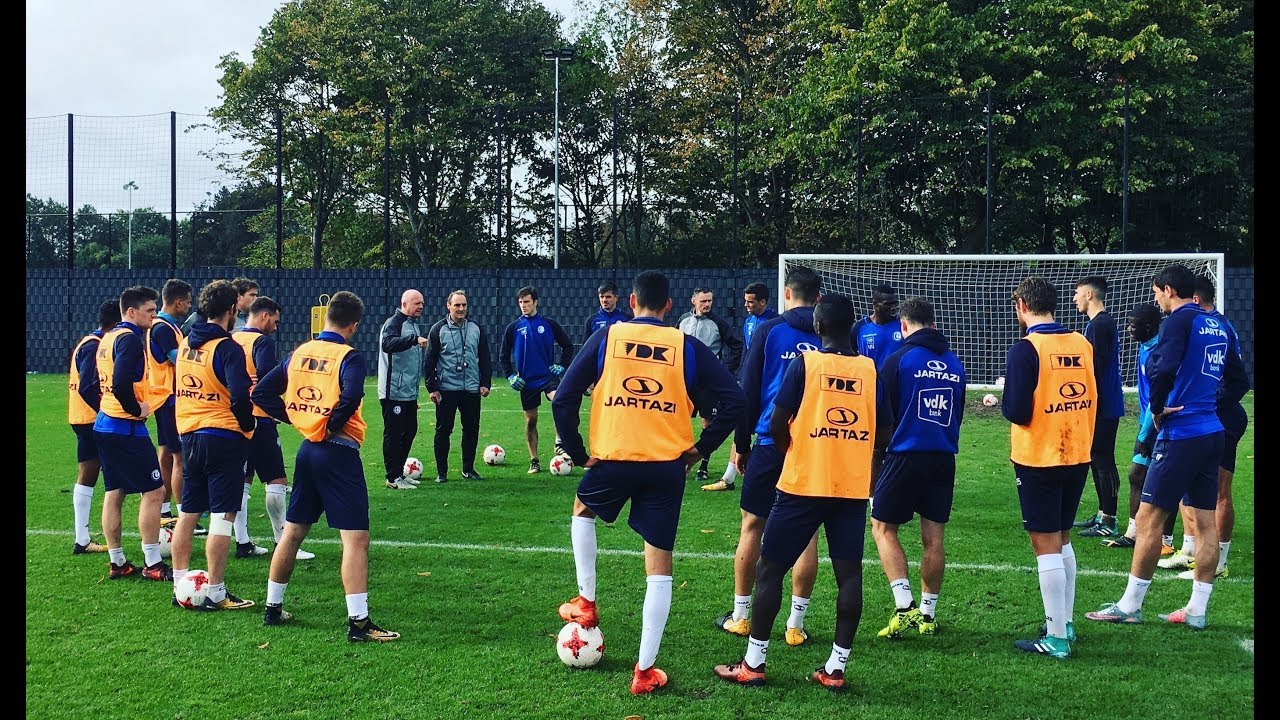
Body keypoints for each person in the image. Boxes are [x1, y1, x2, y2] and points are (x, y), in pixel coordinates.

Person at [552, 270, 745, 695]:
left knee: (582, 510)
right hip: (666, 467)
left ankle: (586, 601)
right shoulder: (685, 345)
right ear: (670, 307)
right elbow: (735, 401)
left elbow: (564, 397)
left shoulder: (609, 337)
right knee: (658, 564)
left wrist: (578, 451)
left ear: (632, 302)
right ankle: (644, 671)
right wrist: (700, 449)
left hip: (615, 457)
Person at [713, 293, 891, 692]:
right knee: (849, 575)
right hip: (849, 487)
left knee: (771, 569)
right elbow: (885, 432)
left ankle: (754, 663)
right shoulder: (870, 369)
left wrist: (794, 449)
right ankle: (835, 669)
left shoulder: (805, 364)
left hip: (802, 483)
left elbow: (777, 422)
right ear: (854, 329)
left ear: (819, 326)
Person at [1086, 264, 1246, 630]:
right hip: (1212, 432)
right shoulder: (1217, 322)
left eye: (1157, 292)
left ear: (1169, 290)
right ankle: (1197, 611)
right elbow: (1239, 380)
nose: (1155, 300)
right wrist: (1211, 405)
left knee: (1148, 518)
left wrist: (1157, 409)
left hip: (1182, 435)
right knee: (1206, 523)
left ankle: (1129, 604)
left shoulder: (1178, 321)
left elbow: (1163, 368)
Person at [253, 290, 400, 641]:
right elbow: (350, 397)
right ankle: (359, 623)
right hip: (338, 453)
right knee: (355, 539)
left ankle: (272, 609)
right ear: (353, 325)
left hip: (308, 451)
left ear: (326, 318)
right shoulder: (349, 356)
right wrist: (329, 424)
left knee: (292, 531)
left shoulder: (300, 352)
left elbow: (261, 394)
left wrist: (302, 420)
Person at [712, 267, 823, 646]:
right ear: (819, 298)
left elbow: (749, 389)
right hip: (815, 447)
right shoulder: (836, 333)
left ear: (786, 295)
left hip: (769, 442)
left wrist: (741, 446)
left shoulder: (769, 330)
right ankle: (795, 624)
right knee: (807, 534)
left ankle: (741, 617)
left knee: (752, 526)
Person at [1001, 276, 1097, 659]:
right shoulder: (1081, 342)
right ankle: (1066, 622)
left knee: (1045, 546)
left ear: (1022, 306)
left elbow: (1017, 410)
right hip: (1077, 452)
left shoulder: (1026, 349)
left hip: (1039, 455)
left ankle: (1056, 637)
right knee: (1063, 537)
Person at [870, 296, 967, 638]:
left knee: (882, 527)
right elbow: (958, 412)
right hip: (943, 458)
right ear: (935, 325)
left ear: (904, 326)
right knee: (934, 538)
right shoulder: (956, 363)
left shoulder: (898, 360)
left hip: (905, 455)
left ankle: (904, 606)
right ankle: (928, 615)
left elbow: (882, 415)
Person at [1156, 273, 1251, 580]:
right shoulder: (1197, 324)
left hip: (1218, 415)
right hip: (1200, 416)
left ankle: (1218, 563)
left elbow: (1238, 379)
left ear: (1194, 300)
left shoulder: (1216, 326)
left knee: (1218, 492)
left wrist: (1211, 402)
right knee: (1189, 487)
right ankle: (1189, 551)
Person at [169, 279, 257, 611]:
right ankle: (217, 592)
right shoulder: (228, 348)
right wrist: (248, 426)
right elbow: (239, 397)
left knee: (188, 513)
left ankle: (181, 587)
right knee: (223, 516)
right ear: (232, 310)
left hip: (190, 435)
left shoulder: (188, 343)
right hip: (222, 436)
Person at [83, 285, 172, 581]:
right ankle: (152, 562)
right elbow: (121, 383)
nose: (154, 315)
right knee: (155, 491)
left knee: (115, 491)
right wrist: (137, 410)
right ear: (132, 312)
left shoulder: (108, 338)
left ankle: (118, 561)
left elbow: (96, 383)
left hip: (105, 424)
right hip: (126, 428)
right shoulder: (131, 340)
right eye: (149, 310)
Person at [232, 296, 315, 561]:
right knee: (276, 480)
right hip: (260, 418)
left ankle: (242, 542)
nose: (276, 328)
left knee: (242, 481)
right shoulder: (262, 342)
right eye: (275, 321)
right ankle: (283, 542)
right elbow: (269, 379)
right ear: (264, 316)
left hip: (235, 419)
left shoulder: (232, 339)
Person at [1101, 304, 1167, 551]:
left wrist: (1144, 434)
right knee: (1139, 475)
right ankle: (1134, 532)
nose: (1129, 329)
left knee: (1153, 478)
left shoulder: (1157, 353)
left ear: (1149, 327)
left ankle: (1162, 540)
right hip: (1147, 422)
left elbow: (1156, 399)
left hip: (1158, 425)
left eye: (1133, 324)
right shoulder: (1145, 345)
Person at [705, 281, 779, 492]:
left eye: (751, 301)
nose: (746, 305)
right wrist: (742, 377)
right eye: (745, 301)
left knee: (767, 430)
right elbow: (748, 354)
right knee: (741, 424)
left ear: (763, 301)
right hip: (749, 382)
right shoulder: (749, 322)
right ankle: (729, 478)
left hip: (767, 386)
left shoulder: (775, 324)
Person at [1071, 276, 1125, 538]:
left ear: (1090, 295)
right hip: (1101, 402)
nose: (1074, 299)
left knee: (1103, 458)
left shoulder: (1100, 325)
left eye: (1077, 293)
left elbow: (1096, 369)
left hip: (1103, 404)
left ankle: (1110, 519)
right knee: (1097, 457)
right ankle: (1104, 513)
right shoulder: (1097, 324)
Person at [500, 286, 574, 474]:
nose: (523, 305)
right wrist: (510, 376)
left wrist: (562, 366)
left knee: (559, 400)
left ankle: (559, 441)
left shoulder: (549, 324)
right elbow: (503, 356)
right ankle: (534, 460)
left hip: (548, 378)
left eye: (527, 302)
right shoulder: (513, 327)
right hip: (527, 382)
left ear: (535, 302)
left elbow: (567, 346)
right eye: (521, 302)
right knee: (531, 420)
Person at [67, 299, 121, 555]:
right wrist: (105, 412)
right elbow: (89, 385)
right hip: (92, 419)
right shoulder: (95, 345)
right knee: (116, 477)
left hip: (84, 417)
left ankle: (82, 539)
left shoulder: (91, 342)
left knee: (88, 473)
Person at [423, 290, 493, 483]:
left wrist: (485, 382)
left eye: (464, 305)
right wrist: (432, 388)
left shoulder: (476, 328)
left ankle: (468, 469)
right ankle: (442, 472)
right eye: (457, 305)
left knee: (471, 429)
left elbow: (485, 358)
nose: (461, 309)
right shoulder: (438, 329)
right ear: (449, 306)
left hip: (471, 388)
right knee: (443, 430)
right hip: (446, 389)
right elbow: (429, 362)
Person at [677, 286, 743, 483]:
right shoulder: (683, 320)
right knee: (678, 419)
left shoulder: (718, 323)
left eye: (709, 301)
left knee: (707, 422)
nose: (707, 304)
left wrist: (724, 369)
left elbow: (737, 346)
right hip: (684, 379)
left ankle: (703, 466)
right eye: (703, 301)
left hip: (707, 383)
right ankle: (675, 460)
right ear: (693, 301)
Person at [150, 279, 192, 529]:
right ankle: (183, 514)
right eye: (187, 301)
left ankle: (165, 511)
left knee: (166, 453)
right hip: (170, 398)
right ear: (178, 301)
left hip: (163, 397)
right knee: (179, 458)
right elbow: (179, 360)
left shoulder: (164, 325)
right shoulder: (163, 327)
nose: (189, 305)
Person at [378, 289, 430, 490]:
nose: (421, 307)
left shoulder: (412, 325)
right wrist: (413, 340)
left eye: (422, 303)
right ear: (405, 303)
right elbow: (387, 344)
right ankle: (392, 478)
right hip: (393, 392)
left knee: (409, 431)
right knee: (394, 433)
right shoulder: (394, 323)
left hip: (408, 392)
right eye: (417, 303)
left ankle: (399, 473)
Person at [181, 277, 259, 334]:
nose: (255, 298)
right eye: (252, 295)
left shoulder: (254, 319)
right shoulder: (200, 318)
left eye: (256, 295)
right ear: (239, 296)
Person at [851, 283, 904, 368]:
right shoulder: (859, 328)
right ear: (876, 305)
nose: (893, 307)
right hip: (870, 379)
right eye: (888, 304)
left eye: (895, 303)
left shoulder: (903, 325)